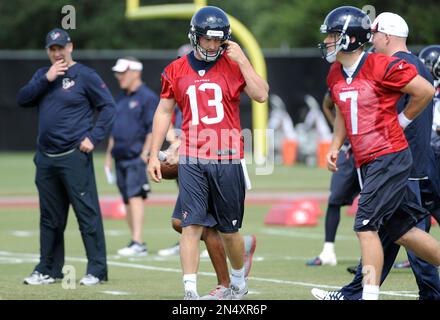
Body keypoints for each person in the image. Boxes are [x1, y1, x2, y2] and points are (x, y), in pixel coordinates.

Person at [312, 6, 440, 300]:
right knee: (403, 231)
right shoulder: (335, 73)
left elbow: (424, 90)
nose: (328, 41)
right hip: (368, 159)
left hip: (389, 155)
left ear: (351, 38)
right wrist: (335, 144)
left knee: (365, 225)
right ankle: (357, 294)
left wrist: (402, 120)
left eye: (334, 35)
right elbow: (344, 109)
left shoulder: (379, 64)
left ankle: (366, 296)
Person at [148, 6, 268, 300]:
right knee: (190, 225)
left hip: (226, 155)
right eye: (207, 39)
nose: (213, 45)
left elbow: (261, 94)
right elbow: (164, 111)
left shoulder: (233, 63)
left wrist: (243, 61)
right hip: (191, 156)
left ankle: (238, 280)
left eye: (218, 40)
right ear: (195, 37)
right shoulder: (176, 69)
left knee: (229, 230)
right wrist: (153, 154)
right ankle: (190, 290)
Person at [17, 28, 116, 285]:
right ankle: (48, 269)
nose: (57, 53)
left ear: (70, 47)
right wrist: (46, 78)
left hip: (74, 156)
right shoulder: (43, 75)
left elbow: (108, 107)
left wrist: (93, 138)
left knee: (87, 214)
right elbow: (23, 99)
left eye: (61, 47)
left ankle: (97, 270)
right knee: (50, 217)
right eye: (52, 49)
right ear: (47, 51)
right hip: (46, 158)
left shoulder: (85, 76)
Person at [104, 57, 158, 256]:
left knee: (135, 197)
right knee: (126, 198)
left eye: (123, 72)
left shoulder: (147, 97)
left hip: (136, 156)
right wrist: (109, 156)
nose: (119, 77)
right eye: (118, 73)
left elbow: (152, 128)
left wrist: (146, 152)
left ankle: (138, 241)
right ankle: (135, 240)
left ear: (136, 72)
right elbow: (115, 130)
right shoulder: (120, 98)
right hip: (120, 155)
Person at [394, 44, 440, 269]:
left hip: (427, 161)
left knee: (412, 218)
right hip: (425, 157)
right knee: (412, 218)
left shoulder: (423, 88)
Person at [307, 91, 360, 266]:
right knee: (334, 199)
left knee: (375, 202)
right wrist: (339, 132)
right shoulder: (340, 80)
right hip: (347, 151)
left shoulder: (373, 74)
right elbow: (327, 104)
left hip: (372, 149)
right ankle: (328, 251)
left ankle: (373, 253)